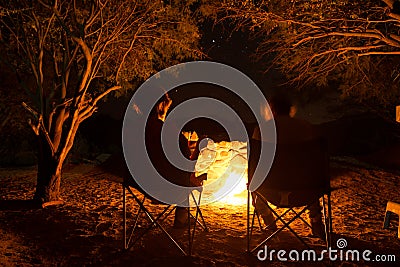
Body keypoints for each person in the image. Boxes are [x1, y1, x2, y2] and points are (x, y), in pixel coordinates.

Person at [250, 92, 325, 238]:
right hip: (305, 191)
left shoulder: (262, 130)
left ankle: (269, 222)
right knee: (311, 176)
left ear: (272, 109)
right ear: (290, 109)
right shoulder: (306, 128)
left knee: (255, 183)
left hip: (269, 190)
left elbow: (255, 165)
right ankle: (316, 222)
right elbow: (313, 164)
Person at [145, 92, 205, 228]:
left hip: (141, 185)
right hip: (167, 190)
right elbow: (188, 169)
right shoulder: (171, 134)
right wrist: (198, 148)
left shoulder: (138, 130)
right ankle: (181, 221)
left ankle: (182, 218)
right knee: (186, 182)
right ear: (161, 105)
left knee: (182, 180)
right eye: (167, 106)